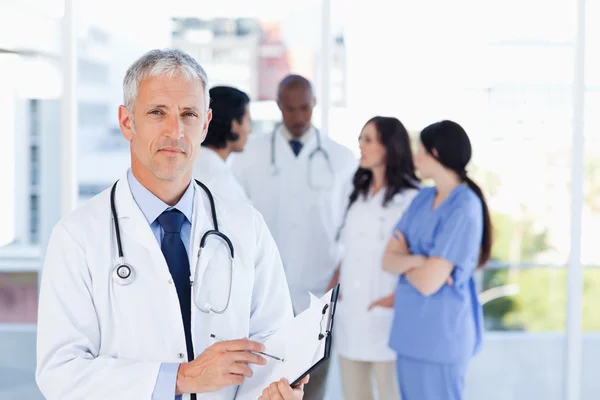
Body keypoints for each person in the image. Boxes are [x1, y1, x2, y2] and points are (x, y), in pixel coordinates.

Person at [35, 49, 307, 400]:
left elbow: (274, 344)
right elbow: (60, 372)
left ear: (205, 124)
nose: (175, 130)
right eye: (157, 112)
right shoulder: (77, 237)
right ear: (127, 122)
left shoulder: (246, 228)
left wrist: (279, 388)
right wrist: (178, 378)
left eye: (188, 114)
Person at [231, 74, 357, 400]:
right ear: (278, 107)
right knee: (263, 388)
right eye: (290, 109)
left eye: (305, 108)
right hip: (263, 295)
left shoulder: (341, 159)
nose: (298, 117)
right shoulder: (248, 156)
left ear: (314, 104)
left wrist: (338, 280)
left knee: (313, 389)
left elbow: (351, 230)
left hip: (319, 295)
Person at [382, 120, 492, 400]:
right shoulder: (423, 197)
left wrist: (407, 260)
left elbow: (428, 283)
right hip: (409, 337)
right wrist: (422, 260)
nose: (415, 158)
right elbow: (386, 260)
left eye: (420, 151)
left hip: (441, 339)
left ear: (437, 154)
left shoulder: (465, 206)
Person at [328, 117, 419, 400]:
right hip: (350, 314)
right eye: (360, 139)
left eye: (368, 140)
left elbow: (417, 258)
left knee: (392, 393)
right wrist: (333, 292)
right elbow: (349, 250)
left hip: (388, 316)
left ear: (389, 147)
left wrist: (394, 301)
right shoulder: (356, 194)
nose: (361, 146)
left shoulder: (412, 198)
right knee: (354, 394)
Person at [193, 86, 251, 202]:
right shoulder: (219, 179)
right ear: (234, 125)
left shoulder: (193, 165)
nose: (250, 130)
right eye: (248, 121)